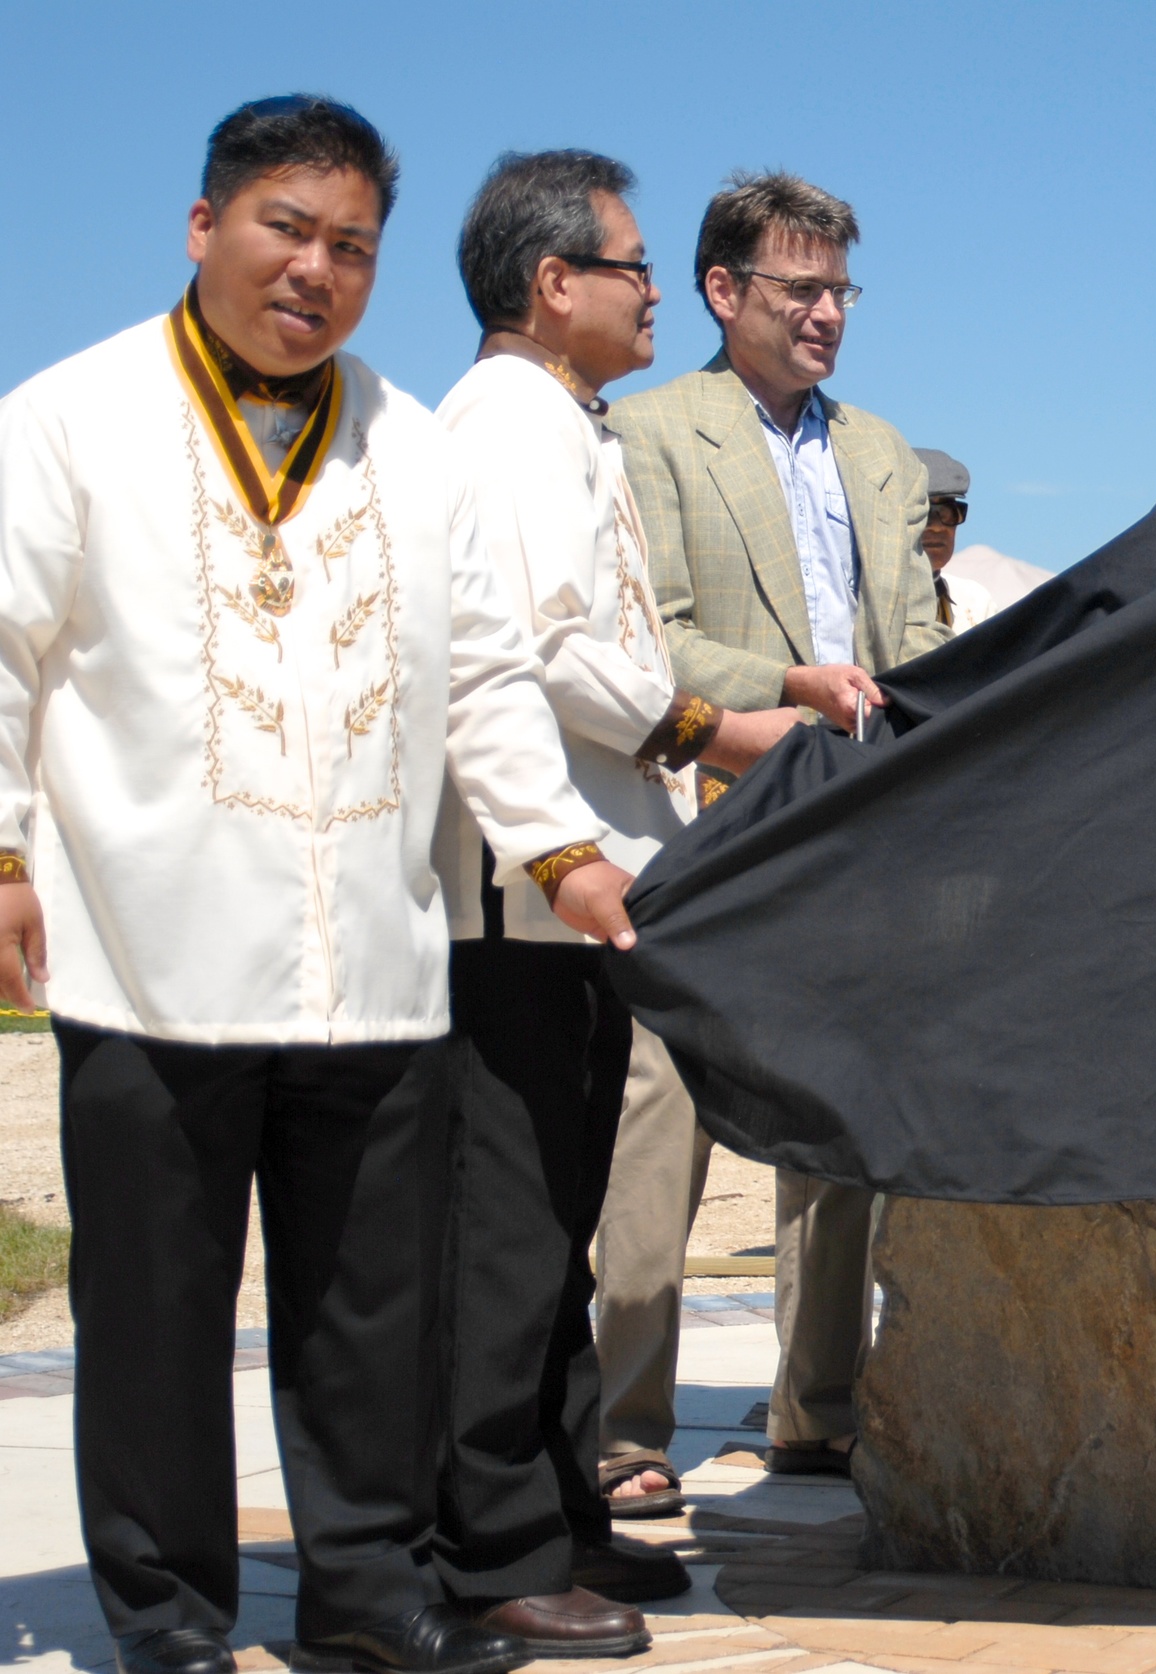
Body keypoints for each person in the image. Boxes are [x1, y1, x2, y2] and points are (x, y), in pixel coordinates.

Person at [0, 96, 642, 1674]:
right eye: (288, 227)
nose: (317, 269)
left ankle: (369, 1593)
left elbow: (488, 677)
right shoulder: (69, 417)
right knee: (154, 1315)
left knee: (371, 1314)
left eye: (351, 246)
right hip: (146, 949)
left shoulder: (410, 445)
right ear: (206, 225)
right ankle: (168, 1610)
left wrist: (557, 847)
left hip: (371, 952)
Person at [429, 150, 804, 1653]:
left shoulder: (561, 422)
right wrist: (703, 728)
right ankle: (496, 1545)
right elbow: (542, 646)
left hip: (594, 883)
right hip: (525, 893)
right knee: (513, 1232)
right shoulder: (505, 428)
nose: (656, 292)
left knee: (564, 1216)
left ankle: (566, 1509)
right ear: (551, 284)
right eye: (635, 264)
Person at [605, 171, 944, 1485]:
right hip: (702, 823)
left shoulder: (883, 452)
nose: (826, 314)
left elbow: (912, 645)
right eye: (800, 288)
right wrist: (786, 688)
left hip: (856, 833)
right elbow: (656, 640)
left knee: (842, 1120)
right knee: (662, 1119)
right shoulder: (645, 434)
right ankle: (628, 1426)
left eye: (840, 289)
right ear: (721, 290)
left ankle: (821, 1406)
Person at [915, 448, 992, 632]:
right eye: (924, 513)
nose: (937, 526)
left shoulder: (976, 602)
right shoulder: (860, 601)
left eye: (948, 513)